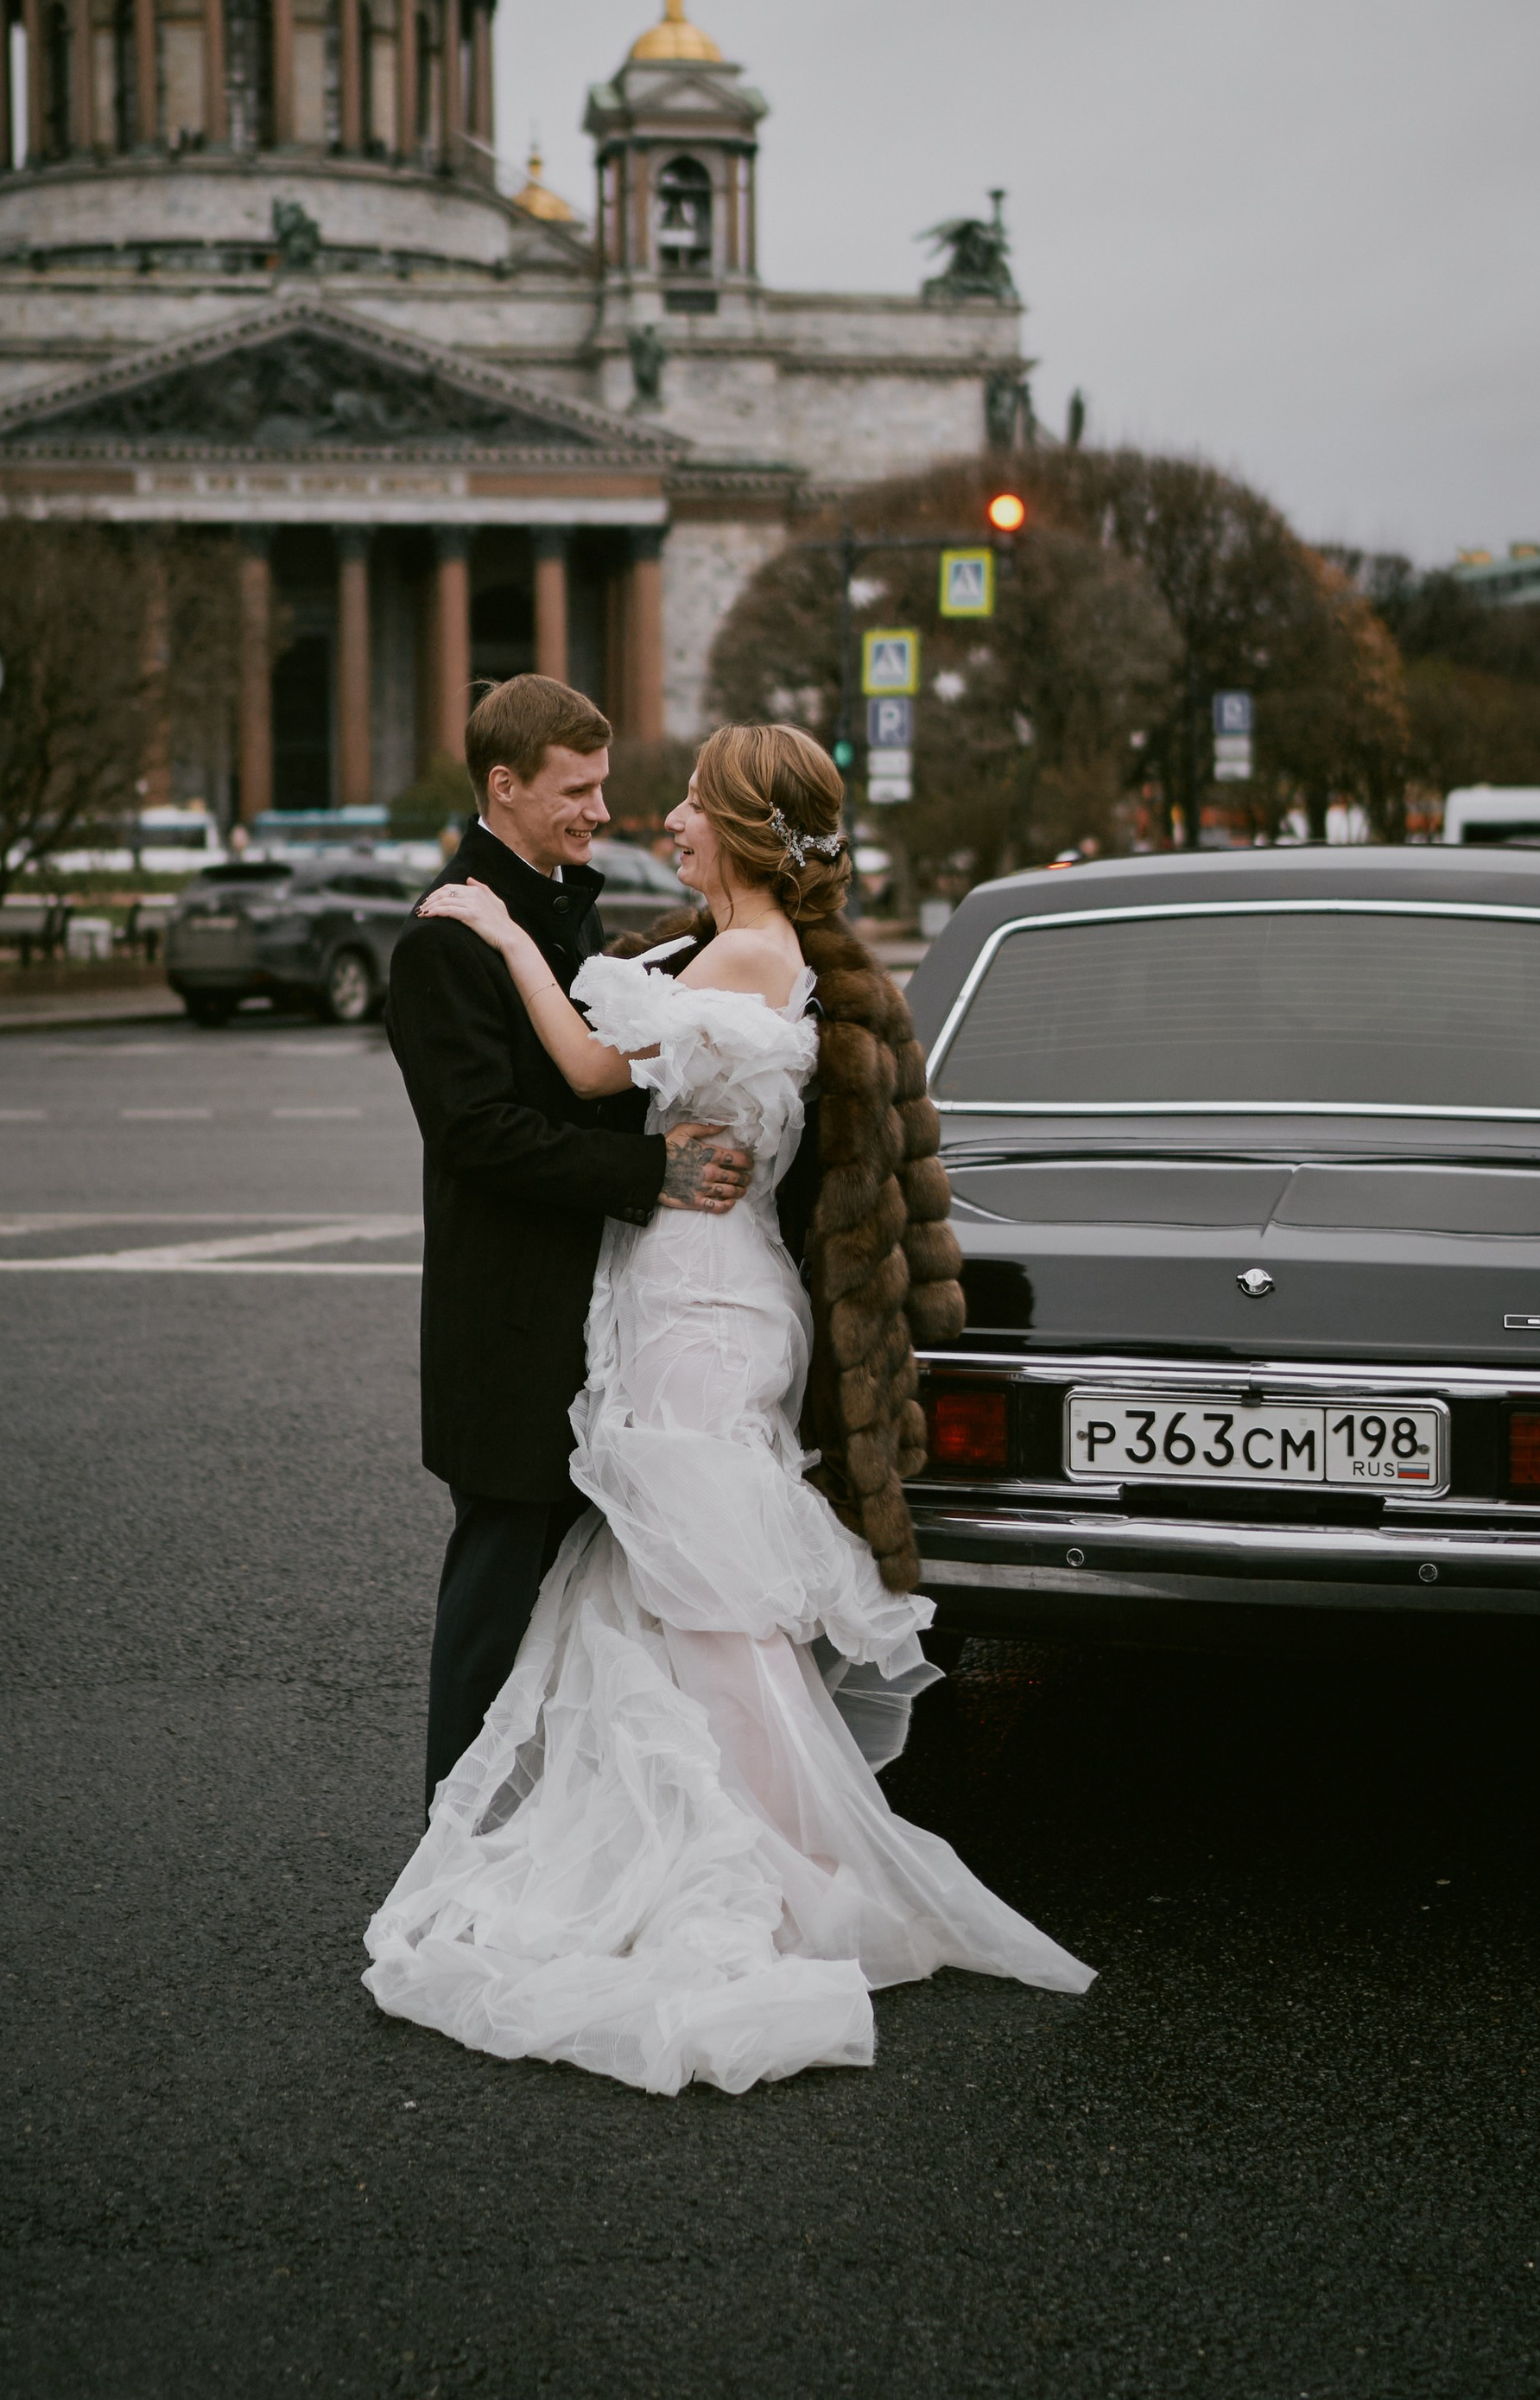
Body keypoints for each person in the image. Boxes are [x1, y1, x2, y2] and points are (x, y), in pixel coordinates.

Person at [365, 720, 1091, 2095]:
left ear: (750, 830)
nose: (665, 819)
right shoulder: (747, 949)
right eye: (606, 792)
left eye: (693, 803)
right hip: (706, 1293)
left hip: (699, 1305)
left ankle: (785, 1865)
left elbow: (595, 1073)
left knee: (710, 1597)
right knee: (691, 1590)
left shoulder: (745, 956)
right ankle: (772, 1848)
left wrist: (504, 936)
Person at [385, 677, 755, 1812]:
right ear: (504, 786)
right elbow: (478, 1135)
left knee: (585, 1612)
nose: (601, 809)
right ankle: (456, 1837)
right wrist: (654, 1172)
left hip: (600, 1317)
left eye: (601, 785)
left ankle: (553, 1834)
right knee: (495, 1610)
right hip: (510, 1328)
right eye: (577, 790)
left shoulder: (555, 906)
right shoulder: (446, 939)